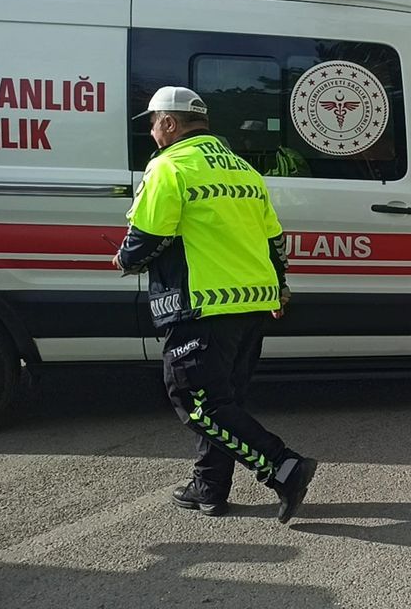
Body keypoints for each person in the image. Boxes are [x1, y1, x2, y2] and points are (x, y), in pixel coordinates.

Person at [113, 87, 317, 522]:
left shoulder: (170, 167)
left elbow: (148, 239)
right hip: (251, 304)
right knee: (224, 401)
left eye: (153, 123)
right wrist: (280, 286)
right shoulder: (243, 170)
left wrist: (124, 258)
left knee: (198, 404)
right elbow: (274, 239)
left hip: (201, 305)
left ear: (169, 124)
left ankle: (283, 467)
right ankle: (209, 487)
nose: (151, 132)